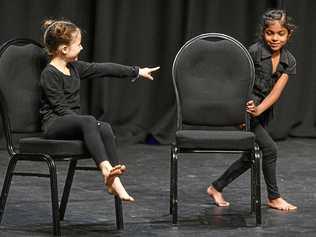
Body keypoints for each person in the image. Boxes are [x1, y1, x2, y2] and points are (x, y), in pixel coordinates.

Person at [40, 19, 159, 202]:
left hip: (73, 122)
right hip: (54, 124)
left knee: (104, 127)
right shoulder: (49, 74)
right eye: (78, 45)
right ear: (64, 49)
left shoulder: (75, 68)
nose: (81, 48)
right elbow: (61, 109)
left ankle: (114, 182)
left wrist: (136, 71)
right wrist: (88, 126)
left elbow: (103, 68)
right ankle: (105, 168)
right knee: (89, 121)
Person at [207, 9, 297, 211]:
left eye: (280, 33)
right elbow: (235, 82)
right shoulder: (254, 51)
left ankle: (216, 187)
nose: (274, 38)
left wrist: (260, 109)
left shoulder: (289, 61)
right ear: (263, 33)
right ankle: (274, 197)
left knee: (250, 156)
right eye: (270, 33)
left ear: (288, 34)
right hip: (243, 110)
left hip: (261, 111)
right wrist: (243, 109)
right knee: (270, 150)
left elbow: (276, 92)